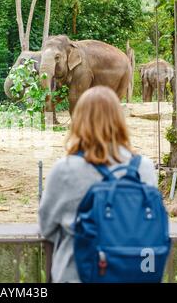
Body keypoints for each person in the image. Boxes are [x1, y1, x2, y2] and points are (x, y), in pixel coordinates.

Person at [38, 86, 157, 283]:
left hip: (77, 274)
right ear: (120, 121)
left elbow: (46, 226)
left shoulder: (65, 169)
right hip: (133, 273)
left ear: (79, 121)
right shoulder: (144, 168)